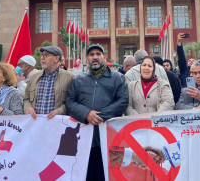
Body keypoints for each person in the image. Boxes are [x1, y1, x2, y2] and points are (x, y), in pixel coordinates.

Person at [65, 44, 128, 181]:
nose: (95, 57)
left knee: (108, 175)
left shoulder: (117, 78)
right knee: (86, 174)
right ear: (87, 58)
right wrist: (86, 114)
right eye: (92, 54)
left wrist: (99, 116)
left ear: (104, 57)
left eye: (98, 54)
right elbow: (70, 102)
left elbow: (122, 101)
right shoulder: (78, 79)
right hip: (84, 138)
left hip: (110, 138)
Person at [23, 46, 73, 120]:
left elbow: (74, 101)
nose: (42, 58)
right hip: (35, 124)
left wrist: (61, 111)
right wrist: (28, 108)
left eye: (46, 55)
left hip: (57, 125)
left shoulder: (69, 78)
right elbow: (26, 99)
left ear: (56, 58)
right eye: (42, 55)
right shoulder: (34, 77)